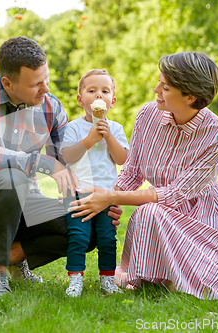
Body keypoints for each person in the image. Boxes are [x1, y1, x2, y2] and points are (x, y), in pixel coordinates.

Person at [0, 37, 122, 299]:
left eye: (46, 79)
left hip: (28, 207)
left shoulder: (50, 106)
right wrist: (43, 162)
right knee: (11, 175)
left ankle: (15, 256)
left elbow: (68, 163)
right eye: (36, 84)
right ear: (8, 83)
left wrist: (103, 199)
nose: (46, 89)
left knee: (91, 223)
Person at [68, 51, 218, 300]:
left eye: (165, 86)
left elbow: (175, 194)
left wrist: (111, 196)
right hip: (157, 209)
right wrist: (112, 202)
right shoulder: (148, 115)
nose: (155, 89)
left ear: (190, 97)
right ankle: (156, 277)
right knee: (149, 212)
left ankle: (178, 275)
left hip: (201, 220)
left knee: (149, 211)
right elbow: (133, 170)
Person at [60, 69, 129, 297]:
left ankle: (107, 280)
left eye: (104, 91)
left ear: (112, 101)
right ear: (81, 100)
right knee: (78, 237)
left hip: (106, 194)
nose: (99, 95)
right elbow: (68, 157)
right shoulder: (74, 128)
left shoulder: (116, 129)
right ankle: (75, 279)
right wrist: (90, 139)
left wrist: (108, 136)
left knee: (107, 239)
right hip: (78, 193)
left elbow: (121, 159)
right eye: (92, 91)